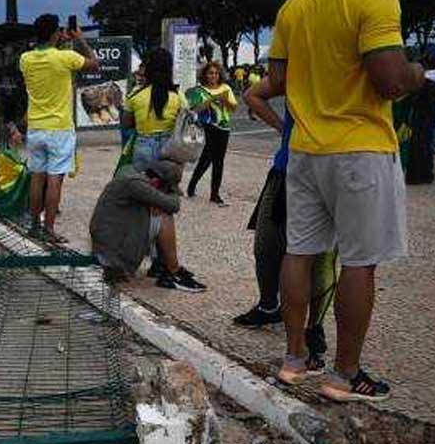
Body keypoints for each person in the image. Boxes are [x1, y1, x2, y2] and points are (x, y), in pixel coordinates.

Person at [268, 0, 426, 402]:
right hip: (359, 148)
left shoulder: (295, 3)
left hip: (306, 149)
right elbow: (388, 80)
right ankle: (344, 373)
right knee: (360, 261)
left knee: (300, 252)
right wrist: (420, 74)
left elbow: (277, 78)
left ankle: (294, 359)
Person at [233, 78, 339, 373]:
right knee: (267, 246)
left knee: (320, 257)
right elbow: (253, 94)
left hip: (331, 166)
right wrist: (283, 128)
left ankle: (313, 330)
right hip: (286, 168)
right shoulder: (298, 64)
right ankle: (270, 306)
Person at [120, 48, 206, 292]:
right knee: (163, 208)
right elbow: (187, 120)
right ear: (169, 69)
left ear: (147, 69)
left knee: (145, 207)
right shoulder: (177, 97)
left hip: (143, 151)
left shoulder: (136, 96)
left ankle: (149, 259)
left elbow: (127, 124)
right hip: (167, 155)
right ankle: (166, 266)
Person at [18, 13, 100, 243]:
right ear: (56, 32)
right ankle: (49, 230)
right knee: (55, 179)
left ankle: (35, 225)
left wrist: (59, 42)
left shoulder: (25, 59)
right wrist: (80, 39)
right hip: (60, 128)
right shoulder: (66, 57)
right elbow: (94, 63)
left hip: (36, 127)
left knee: (37, 177)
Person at [186, 61, 238, 205]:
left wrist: (225, 101)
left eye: (216, 73)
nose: (214, 76)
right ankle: (192, 184)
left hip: (224, 128)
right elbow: (195, 110)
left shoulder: (226, 88)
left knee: (219, 161)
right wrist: (211, 100)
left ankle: (214, 194)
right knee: (206, 157)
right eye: (210, 73)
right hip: (207, 127)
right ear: (205, 75)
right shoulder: (199, 90)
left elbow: (233, 108)